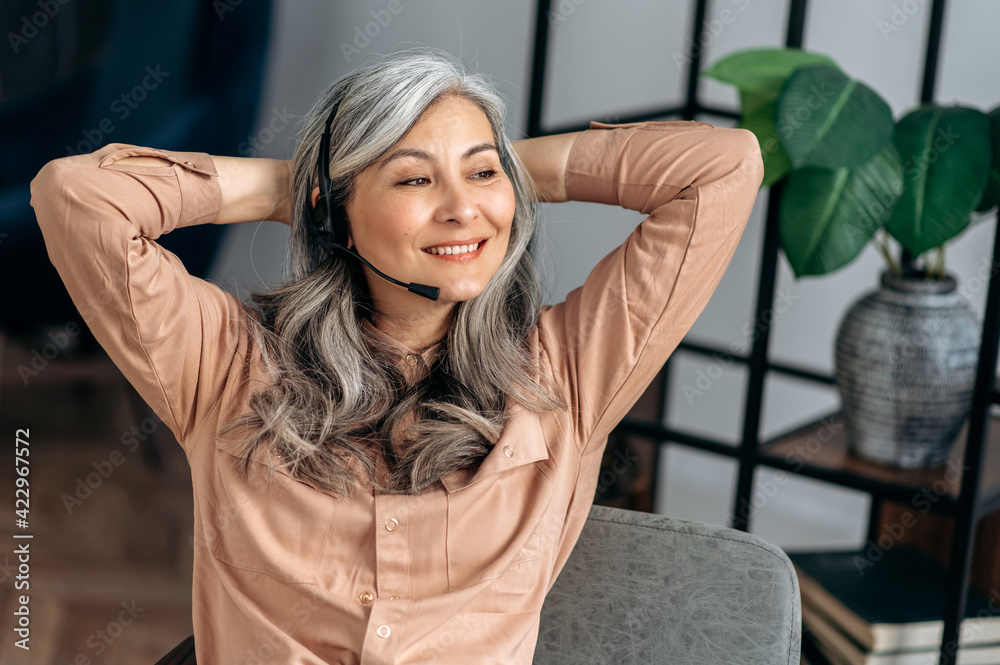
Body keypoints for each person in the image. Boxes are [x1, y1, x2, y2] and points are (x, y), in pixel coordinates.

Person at [31, 49, 763, 664]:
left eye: (481, 175)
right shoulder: (224, 365)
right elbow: (77, 196)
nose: (461, 208)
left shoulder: (567, 371)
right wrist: (292, 189)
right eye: (414, 178)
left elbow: (724, 167)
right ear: (335, 208)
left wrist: (511, 172)